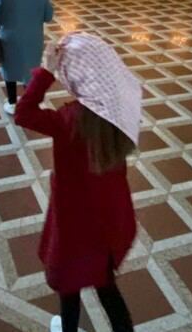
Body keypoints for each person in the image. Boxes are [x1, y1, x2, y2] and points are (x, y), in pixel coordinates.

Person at [14, 32, 141, 332]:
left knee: (69, 285)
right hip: (108, 216)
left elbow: (23, 113)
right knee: (105, 284)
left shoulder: (68, 119)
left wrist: (46, 71)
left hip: (73, 220)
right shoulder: (119, 115)